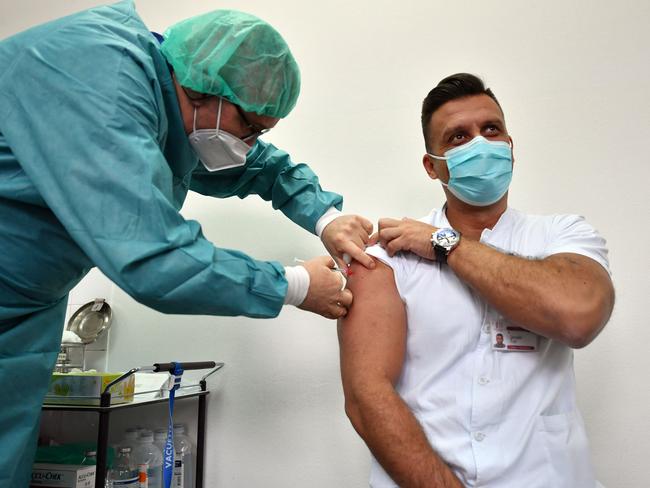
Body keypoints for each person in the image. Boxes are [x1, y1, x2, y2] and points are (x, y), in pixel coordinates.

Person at [0, 2, 375, 486]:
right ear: (205, 89)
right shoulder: (105, 81)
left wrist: (327, 217)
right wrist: (297, 285)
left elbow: (262, 166)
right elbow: (156, 258)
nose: (249, 143)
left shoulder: (170, 105)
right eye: (251, 128)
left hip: (25, 307)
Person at [338, 73, 615, 487]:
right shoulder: (385, 258)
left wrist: (445, 244)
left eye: (491, 129)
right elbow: (367, 397)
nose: (480, 144)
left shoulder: (564, 236)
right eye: (457, 137)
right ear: (433, 166)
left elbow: (579, 316)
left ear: (510, 149)